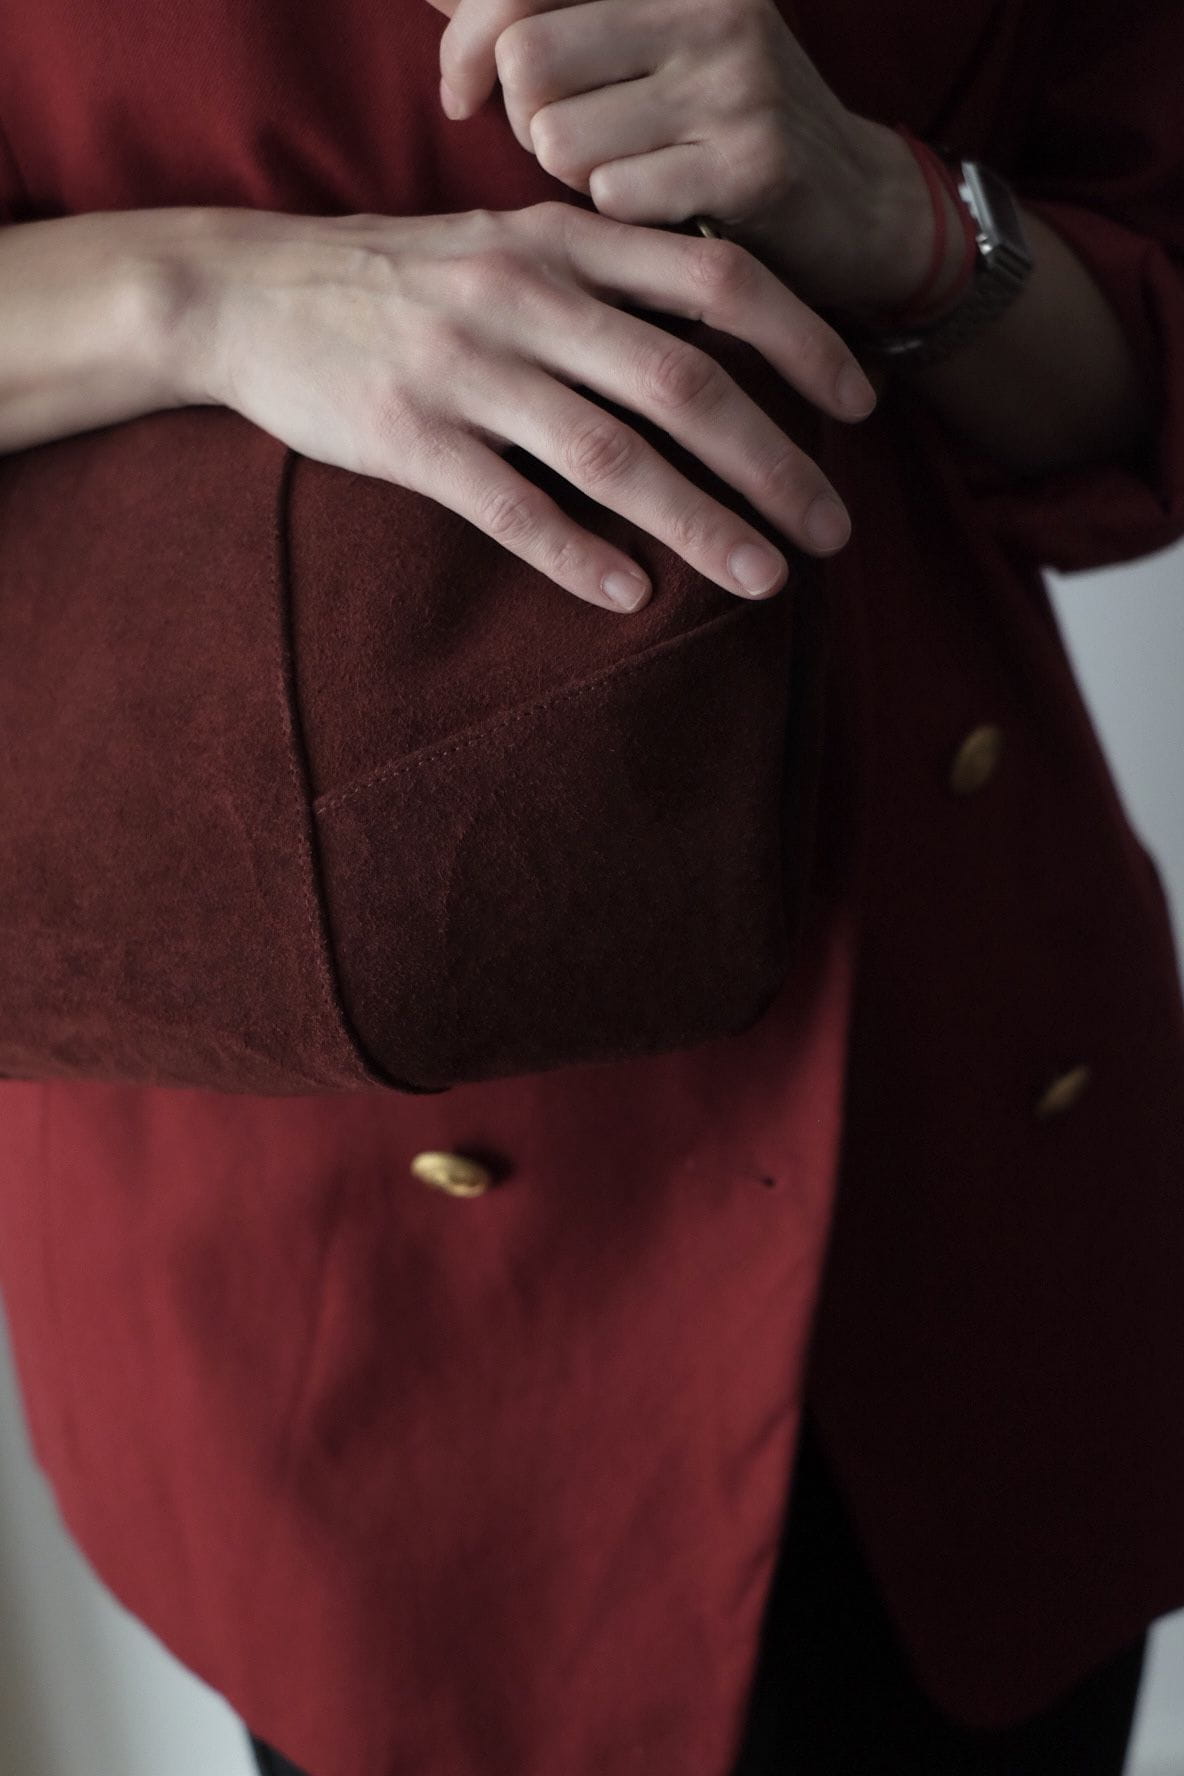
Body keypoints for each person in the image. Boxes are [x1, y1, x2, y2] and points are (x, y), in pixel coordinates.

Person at [0, 0, 1181, 1772]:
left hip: (951, 1140)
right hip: (344, 1251)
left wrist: (893, 214)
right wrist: (208, 297)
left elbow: (1147, 363)